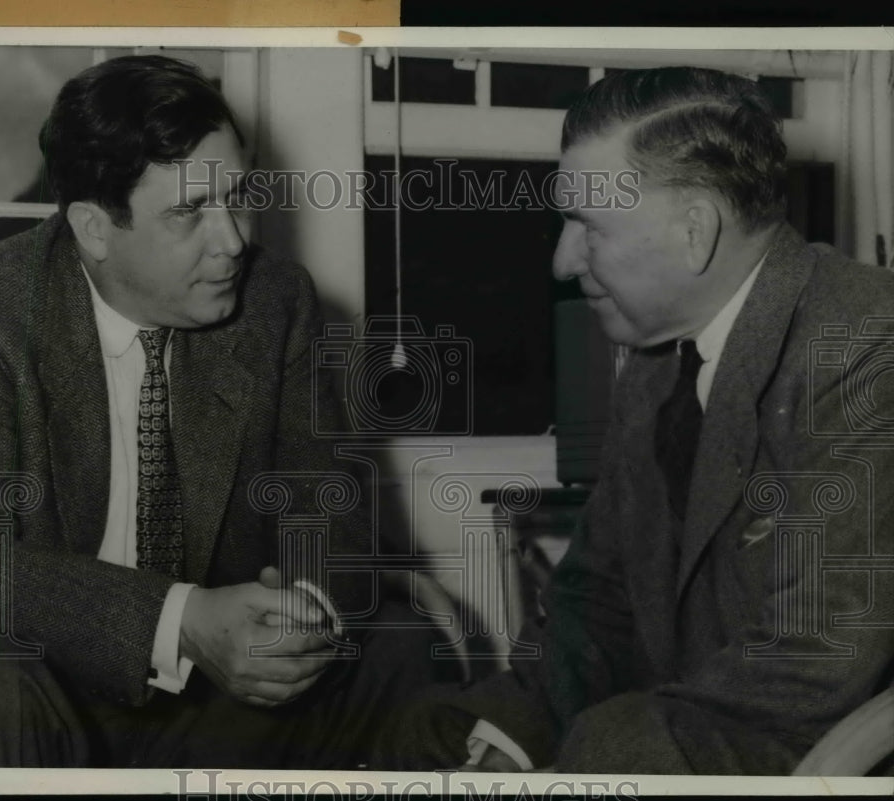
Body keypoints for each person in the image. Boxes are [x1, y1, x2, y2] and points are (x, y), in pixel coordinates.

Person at [0, 54, 440, 769]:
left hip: (218, 702)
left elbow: (328, 509)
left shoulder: (276, 303)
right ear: (94, 229)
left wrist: (292, 614)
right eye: (189, 212)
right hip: (51, 692)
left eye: (236, 197)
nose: (232, 240)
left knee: (398, 641)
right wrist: (179, 619)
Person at [381, 66, 894, 774]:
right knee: (426, 734)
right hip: (697, 720)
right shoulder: (657, 362)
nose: (564, 260)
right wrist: (506, 739)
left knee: (616, 741)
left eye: (587, 225)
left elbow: (816, 664)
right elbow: (599, 598)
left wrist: (585, 752)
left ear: (694, 232)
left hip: (828, 748)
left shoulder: (867, 343)